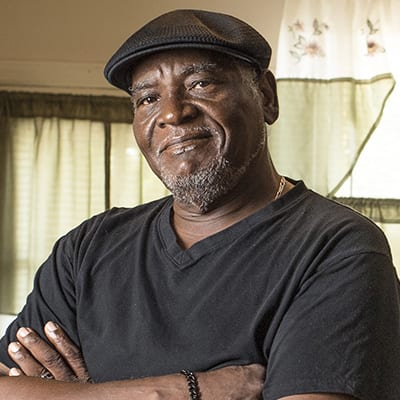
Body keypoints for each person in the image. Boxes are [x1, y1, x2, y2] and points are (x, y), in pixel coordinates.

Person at [0, 8, 399, 400]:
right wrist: (171, 390)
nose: (172, 112)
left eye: (201, 84)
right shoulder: (88, 248)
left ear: (266, 98)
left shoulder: (337, 248)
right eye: (148, 98)